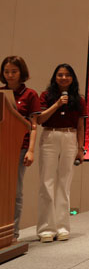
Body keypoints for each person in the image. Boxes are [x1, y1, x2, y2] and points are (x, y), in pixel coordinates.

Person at [36, 64, 87, 242]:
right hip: (50, 135)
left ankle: (62, 227)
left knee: (64, 183)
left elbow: (80, 126)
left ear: (72, 78)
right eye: (60, 75)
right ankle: (46, 229)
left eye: (67, 75)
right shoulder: (46, 96)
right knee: (47, 182)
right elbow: (40, 119)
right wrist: (57, 104)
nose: (63, 78)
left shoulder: (79, 100)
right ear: (54, 77)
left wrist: (80, 149)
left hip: (70, 137)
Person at [1, 56, 40, 241]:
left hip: (19, 148)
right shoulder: (1, 93)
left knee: (14, 192)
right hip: (1, 148)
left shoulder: (30, 94)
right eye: (6, 71)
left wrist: (31, 150)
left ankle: (12, 233)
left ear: (21, 72)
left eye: (14, 71)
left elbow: (33, 126)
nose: (10, 75)